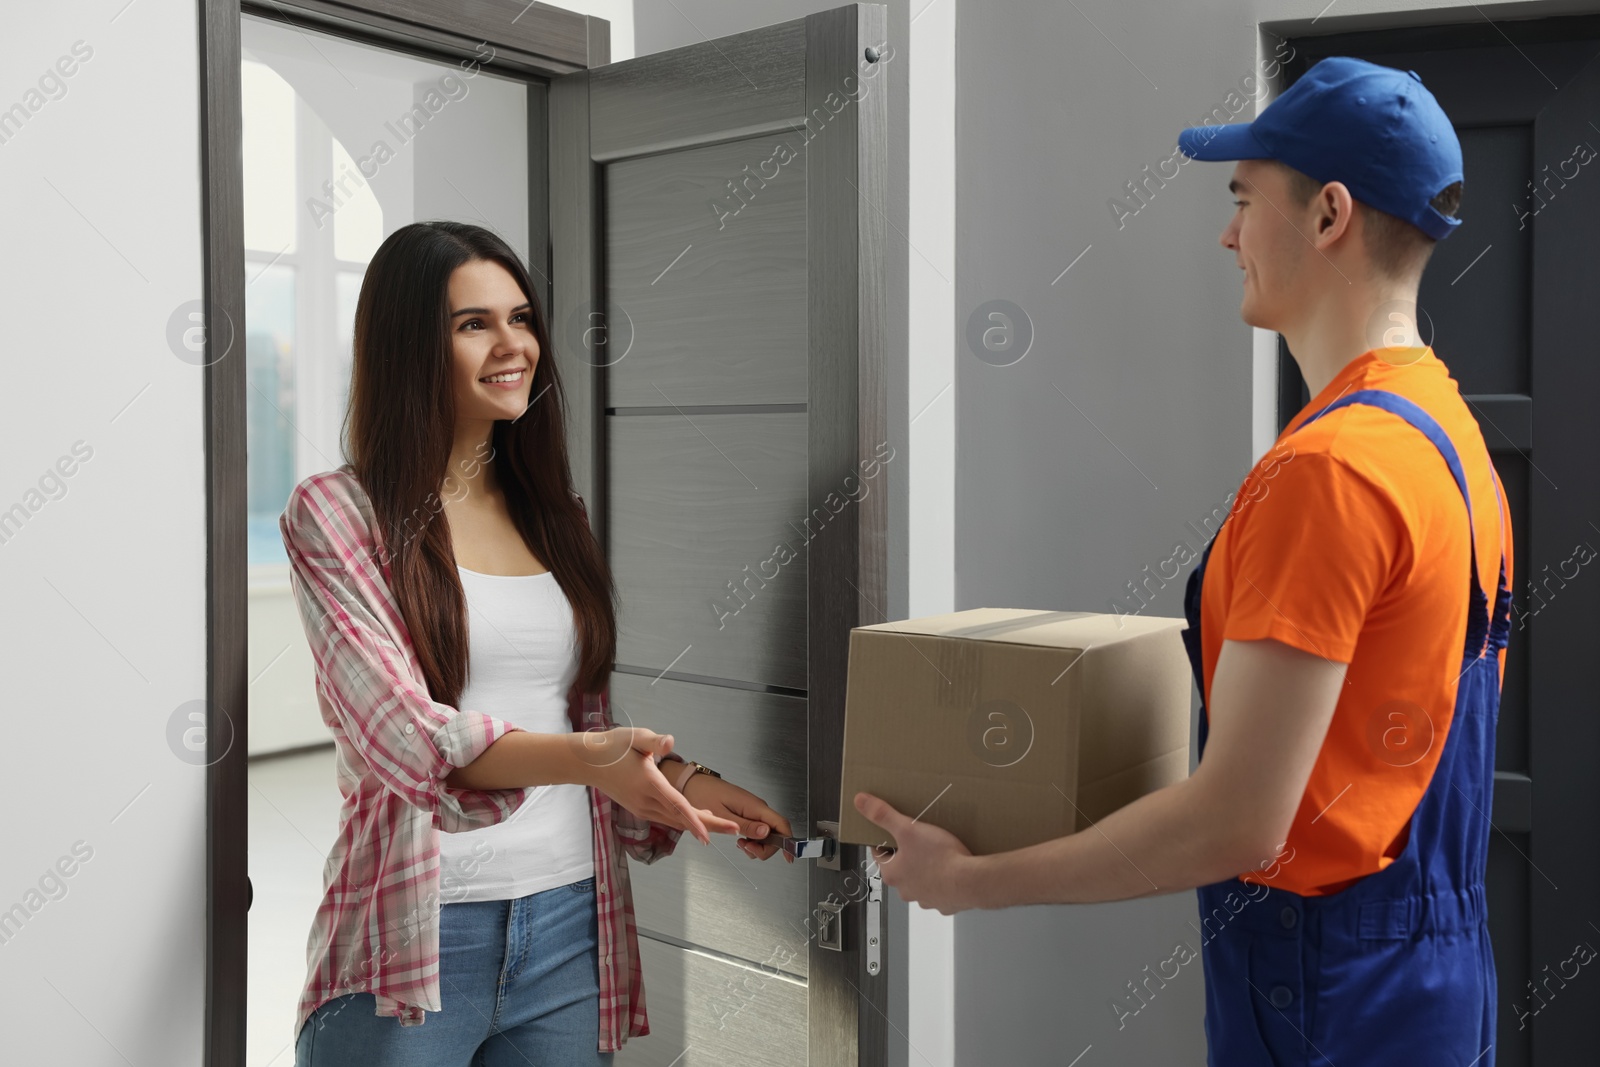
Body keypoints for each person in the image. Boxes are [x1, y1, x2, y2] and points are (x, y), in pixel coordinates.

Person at [855, 57, 1513, 1064]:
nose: (1226, 233)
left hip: (1325, 984)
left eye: (1243, 200)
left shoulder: (1331, 469)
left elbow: (1240, 822)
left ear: (1329, 213)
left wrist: (970, 878)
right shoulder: (1446, 435)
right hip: (1432, 965)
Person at [283, 220, 794, 1066]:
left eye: (520, 317)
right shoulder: (338, 515)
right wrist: (597, 757)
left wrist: (681, 777)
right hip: (412, 943)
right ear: (409, 345)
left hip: (568, 925)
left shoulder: (554, 515)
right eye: (472, 323)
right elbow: (409, 740)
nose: (512, 344)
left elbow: (570, 707)